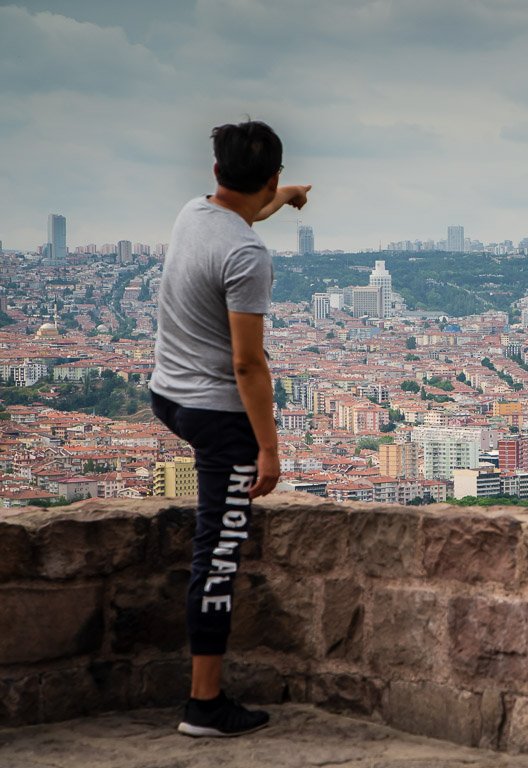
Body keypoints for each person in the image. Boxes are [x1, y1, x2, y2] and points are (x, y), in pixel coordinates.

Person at [150, 120, 310, 737]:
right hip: (217, 412)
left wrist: (282, 195)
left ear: (216, 174)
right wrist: (268, 448)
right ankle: (204, 705)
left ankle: (205, 698)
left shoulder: (194, 213)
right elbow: (248, 362)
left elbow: (241, 214)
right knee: (217, 553)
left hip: (168, 392)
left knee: (212, 547)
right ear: (266, 177)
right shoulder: (248, 256)